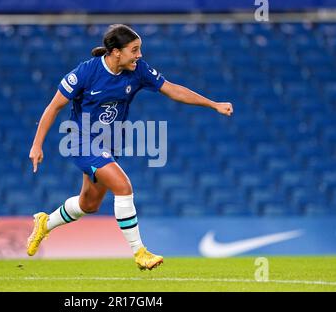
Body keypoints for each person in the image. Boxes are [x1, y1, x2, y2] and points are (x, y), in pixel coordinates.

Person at [26, 24, 233, 270]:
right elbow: (53, 107)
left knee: (89, 204)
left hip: (108, 143)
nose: (139, 55)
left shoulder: (138, 71)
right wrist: (37, 145)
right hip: (79, 140)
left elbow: (173, 90)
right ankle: (140, 253)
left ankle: (45, 223)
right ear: (115, 52)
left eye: (140, 50)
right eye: (134, 50)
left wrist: (213, 104)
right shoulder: (85, 73)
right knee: (123, 187)